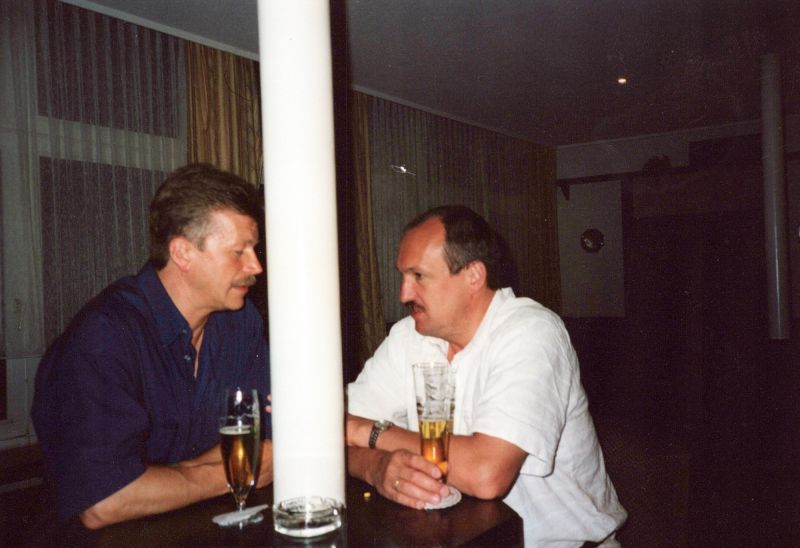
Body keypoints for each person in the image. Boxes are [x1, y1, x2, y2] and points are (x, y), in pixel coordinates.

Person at [346, 205, 626, 546]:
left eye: (418, 276)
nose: (404, 294)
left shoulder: (532, 333)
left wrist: (368, 432)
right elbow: (333, 435)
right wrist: (374, 466)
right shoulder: (408, 337)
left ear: (474, 276)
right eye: (403, 276)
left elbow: (486, 473)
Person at [32, 163, 272, 529]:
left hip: (204, 526)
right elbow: (104, 502)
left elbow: (265, 435)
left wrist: (165, 480)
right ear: (182, 253)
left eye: (254, 249)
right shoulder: (105, 335)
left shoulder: (239, 323)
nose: (256, 266)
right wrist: (234, 471)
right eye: (239, 251)